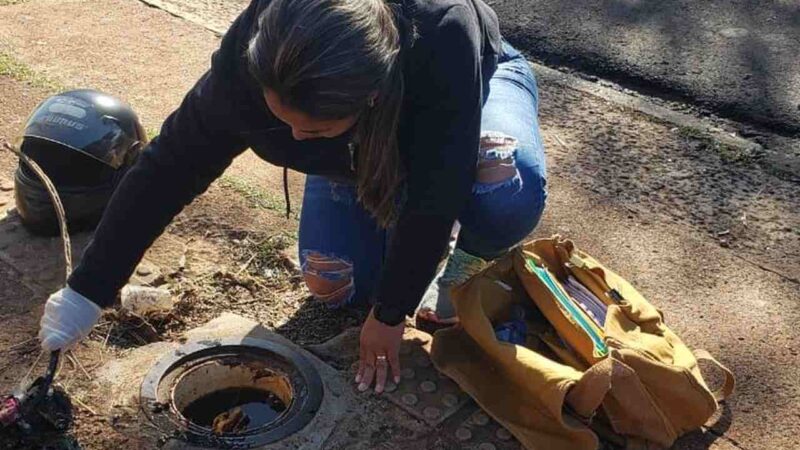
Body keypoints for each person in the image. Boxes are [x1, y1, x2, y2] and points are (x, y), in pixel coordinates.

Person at [38, 0, 547, 394]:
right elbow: (170, 165)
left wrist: (391, 315)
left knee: (501, 187)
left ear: (370, 96)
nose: (297, 138)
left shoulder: (442, 36)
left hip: (479, 83)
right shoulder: (257, 54)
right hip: (354, 152)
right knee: (339, 288)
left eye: (316, 126)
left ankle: (467, 260)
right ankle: (360, 177)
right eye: (284, 121)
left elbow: (437, 192)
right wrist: (89, 288)